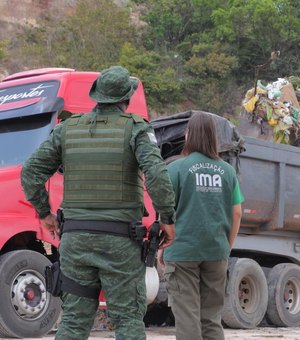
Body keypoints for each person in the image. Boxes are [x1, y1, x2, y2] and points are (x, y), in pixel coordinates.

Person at [21, 65, 176, 340]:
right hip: (120, 243)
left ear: (98, 96)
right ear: (126, 98)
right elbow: (157, 174)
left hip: (76, 241)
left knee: (72, 323)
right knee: (128, 321)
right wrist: (166, 218)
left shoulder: (67, 129)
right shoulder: (136, 129)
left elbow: (31, 172)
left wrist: (44, 213)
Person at [159, 112, 244, 340]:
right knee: (211, 319)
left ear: (189, 135)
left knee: (187, 317)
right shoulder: (227, 171)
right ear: (213, 137)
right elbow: (237, 211)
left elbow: (165, 212)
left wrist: (162, 247)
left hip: (182, 251)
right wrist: (227, 246)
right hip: (216, 251)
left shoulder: (176, 169)